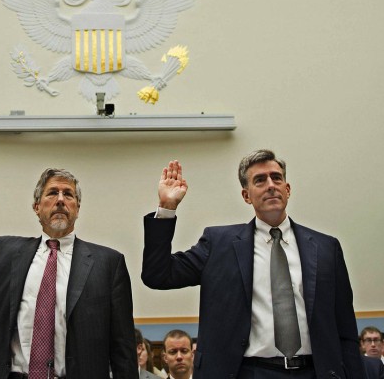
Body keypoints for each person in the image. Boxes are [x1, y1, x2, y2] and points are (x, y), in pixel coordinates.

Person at [142, 152, 365, 379]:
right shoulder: (219, 244)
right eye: (260, 180)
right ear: (246, 195)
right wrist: (167, 208)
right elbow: (158, 275)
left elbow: (345, 329)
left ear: (287, 189)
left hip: (316, 371)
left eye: (276, 178)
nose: (270, 185)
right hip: (248, 372)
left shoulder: (326, 248)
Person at [0, 161, 138, 379]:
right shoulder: (2, 252)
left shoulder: (108, 264)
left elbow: (123, 349)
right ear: (37, 207)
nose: (61, 200)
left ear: (77, 208)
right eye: (52, 193)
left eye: (69, 195)